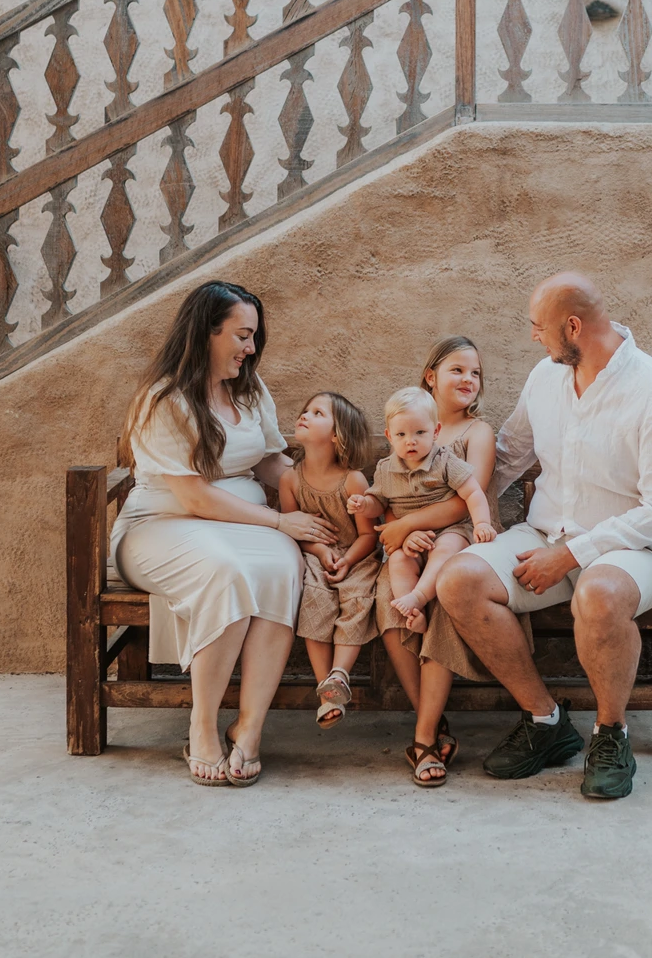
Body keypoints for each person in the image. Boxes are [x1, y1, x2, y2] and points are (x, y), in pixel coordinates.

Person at [436, 273, 652, 803]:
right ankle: (546, 720)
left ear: (572, 326)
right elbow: (507, 457)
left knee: (597, 593)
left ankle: (609, 734)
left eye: (539, 327)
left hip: (634, 550)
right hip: (544, 532)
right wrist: (447, 521)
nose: (534, 337)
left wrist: (572, 555)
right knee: (458, 580)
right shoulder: (545, 377)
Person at [111, 281, 337, 787]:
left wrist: (331, 506)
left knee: (283, 566)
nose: (250, 348)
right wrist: (281, 522)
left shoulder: (250, 390)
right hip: (162, 526)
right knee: (226, 570)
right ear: (206, 333)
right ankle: (202, 726)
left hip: (243, 524)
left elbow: (274, 462)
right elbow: (193, 498)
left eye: (254, 337)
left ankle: (250, 728)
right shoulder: (163, 399)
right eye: (241, 335)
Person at [349, 382, 496, 786]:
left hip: (450, 533)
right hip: (404, 542)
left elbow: (471, 495)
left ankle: (419, 596)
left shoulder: (446, 460)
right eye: (401, 435)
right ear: (389, 437)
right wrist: (368, 506)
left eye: (417, 434)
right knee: (397, 562)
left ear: (434, 433)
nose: (409, 442)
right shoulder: (385, 468)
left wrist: (481, 523)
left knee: (446, 552)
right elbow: (380, 505)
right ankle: (407, 603)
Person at [287, 391, 381, 730]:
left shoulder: (353, 479)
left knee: (356, 598)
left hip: (357, 556)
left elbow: (369, 536)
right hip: (314, 554)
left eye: (317, 413)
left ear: (337, 435)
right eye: (305, 409)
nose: (305, 415)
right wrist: (321, 552)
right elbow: (292, 530)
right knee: (315, 596)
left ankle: (339, 674)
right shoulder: (290, 479)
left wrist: (345, 559)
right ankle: (326, 689)